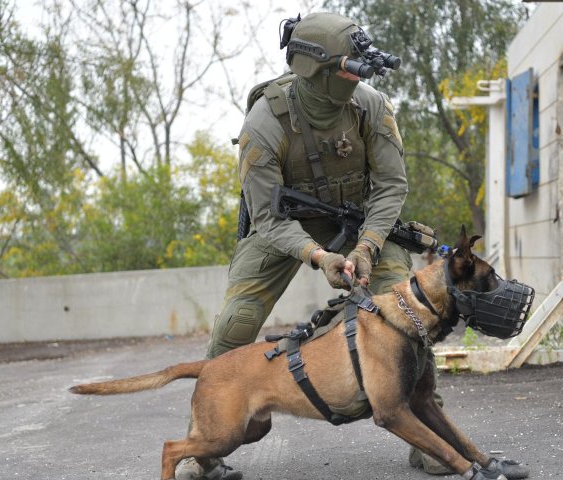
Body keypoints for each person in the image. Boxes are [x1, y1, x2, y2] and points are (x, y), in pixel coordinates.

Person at [175, 11, 415, 480]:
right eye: (343, 69)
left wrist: (367, 246)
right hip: (282, 229)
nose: (353, 77)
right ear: (312, 69)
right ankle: (200, 449)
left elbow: (391, 187)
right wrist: (318, 256)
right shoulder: (264, 123)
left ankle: (431, 435)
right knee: (234, 324)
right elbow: (266, 217)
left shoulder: (370, 106)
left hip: (356, 222)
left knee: (407, 309)